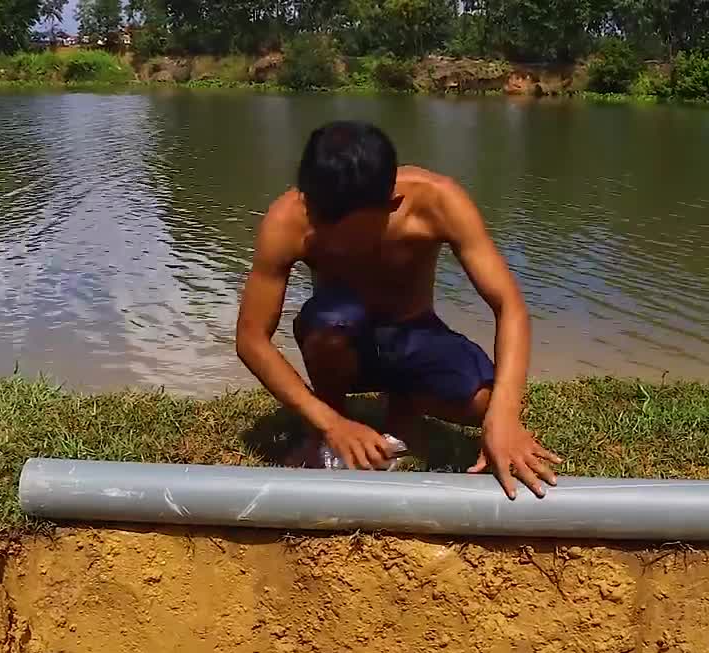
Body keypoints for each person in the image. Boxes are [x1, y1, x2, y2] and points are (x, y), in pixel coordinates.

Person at [235, 120, 561, 500]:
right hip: (342, 336)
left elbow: (510, 307)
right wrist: (330, 423)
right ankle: (326, 428)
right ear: (307, 198)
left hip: (413, 331)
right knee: (328, 325)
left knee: (483, 404)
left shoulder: (438, 202)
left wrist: (504, 417)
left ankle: (403, 412)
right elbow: (251, 338)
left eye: (349, 230)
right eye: (323, 224)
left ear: (392, 205)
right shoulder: (288, 220)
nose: (331, 238)